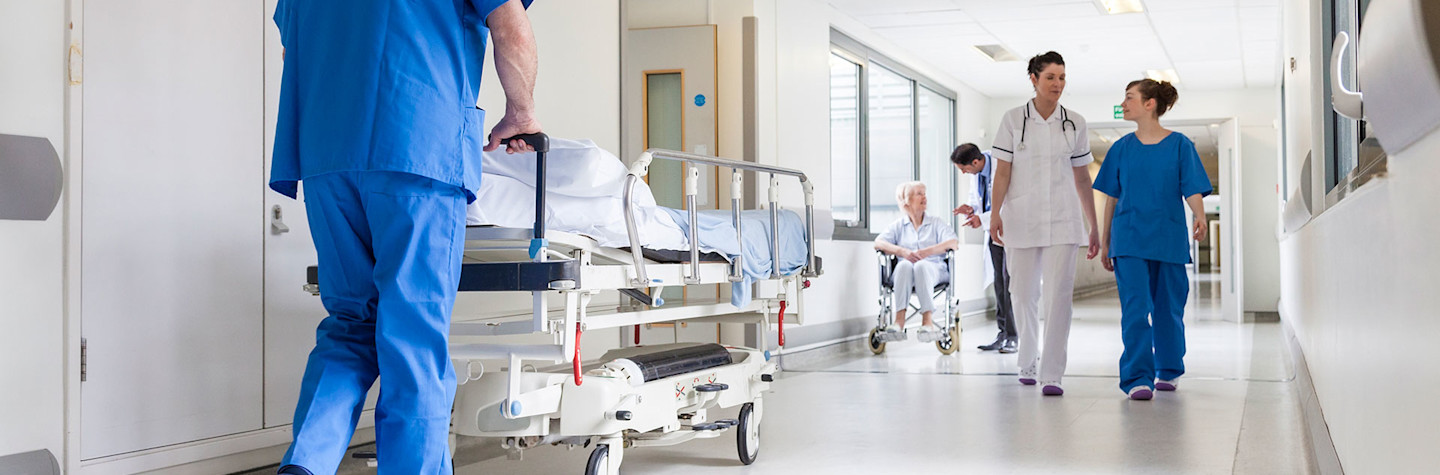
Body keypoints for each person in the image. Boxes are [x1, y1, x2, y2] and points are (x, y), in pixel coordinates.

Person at [268, 0, 541, 473]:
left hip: (326, 157)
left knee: (350, 323)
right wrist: (521, 112)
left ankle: (306, 463)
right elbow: (510, 27)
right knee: (412, 332)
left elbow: (293, 52)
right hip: (417, 146)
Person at [1092, 79, 1212, 401]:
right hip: (1129, 239)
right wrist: (1106, 240)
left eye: (1129, 98)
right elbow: (1111, 197)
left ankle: (1168, 369)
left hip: (1168, 237)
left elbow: (1191, 186)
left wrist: (1200, 215)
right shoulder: (1121, 148)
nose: (1123, 104)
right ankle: (1137, 377)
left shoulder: (1180, 145)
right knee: (1135, 309)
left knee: (1168, 308)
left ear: (1150, 104)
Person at [989, 51, 1100, 397]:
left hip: (1064, 219)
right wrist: (994, 214)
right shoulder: (1012, 119)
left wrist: (1093, 225)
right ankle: (1027, 360)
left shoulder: (1075, 123)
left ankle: (1052, 373)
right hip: (1021, 218)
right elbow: (1002, 172)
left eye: (1062, 77)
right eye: (1050, 77)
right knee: (1022, 294)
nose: (1058, 84)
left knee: (1059, 297)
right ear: (1034, 79)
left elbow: (1082, 178)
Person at [951, 144, 1017, 354]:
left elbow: (1008, 203)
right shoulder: (978, 173)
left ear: (976, 162)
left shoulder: (1002, 165)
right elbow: (980, 200)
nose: (964, 173)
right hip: (993, 233)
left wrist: (982, 218)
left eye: (964, 168)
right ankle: (1002, 333)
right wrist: (971, 209)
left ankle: (1014, 336)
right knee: (999, 284)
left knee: (1010, 283)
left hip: (1009, 230)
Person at [874, 182, 960, 342]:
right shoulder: (899, 226)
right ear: (906, 201)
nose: (924, 197)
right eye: (919, 194)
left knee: (921, 265)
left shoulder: (936, 223)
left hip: (934, 270)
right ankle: (899, 321)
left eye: (924, 193)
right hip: (905, 275)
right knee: (904, 264)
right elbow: (878, 243)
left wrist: (926, 252)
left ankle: (927, 321)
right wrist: (902, 252)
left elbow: (953, 243)